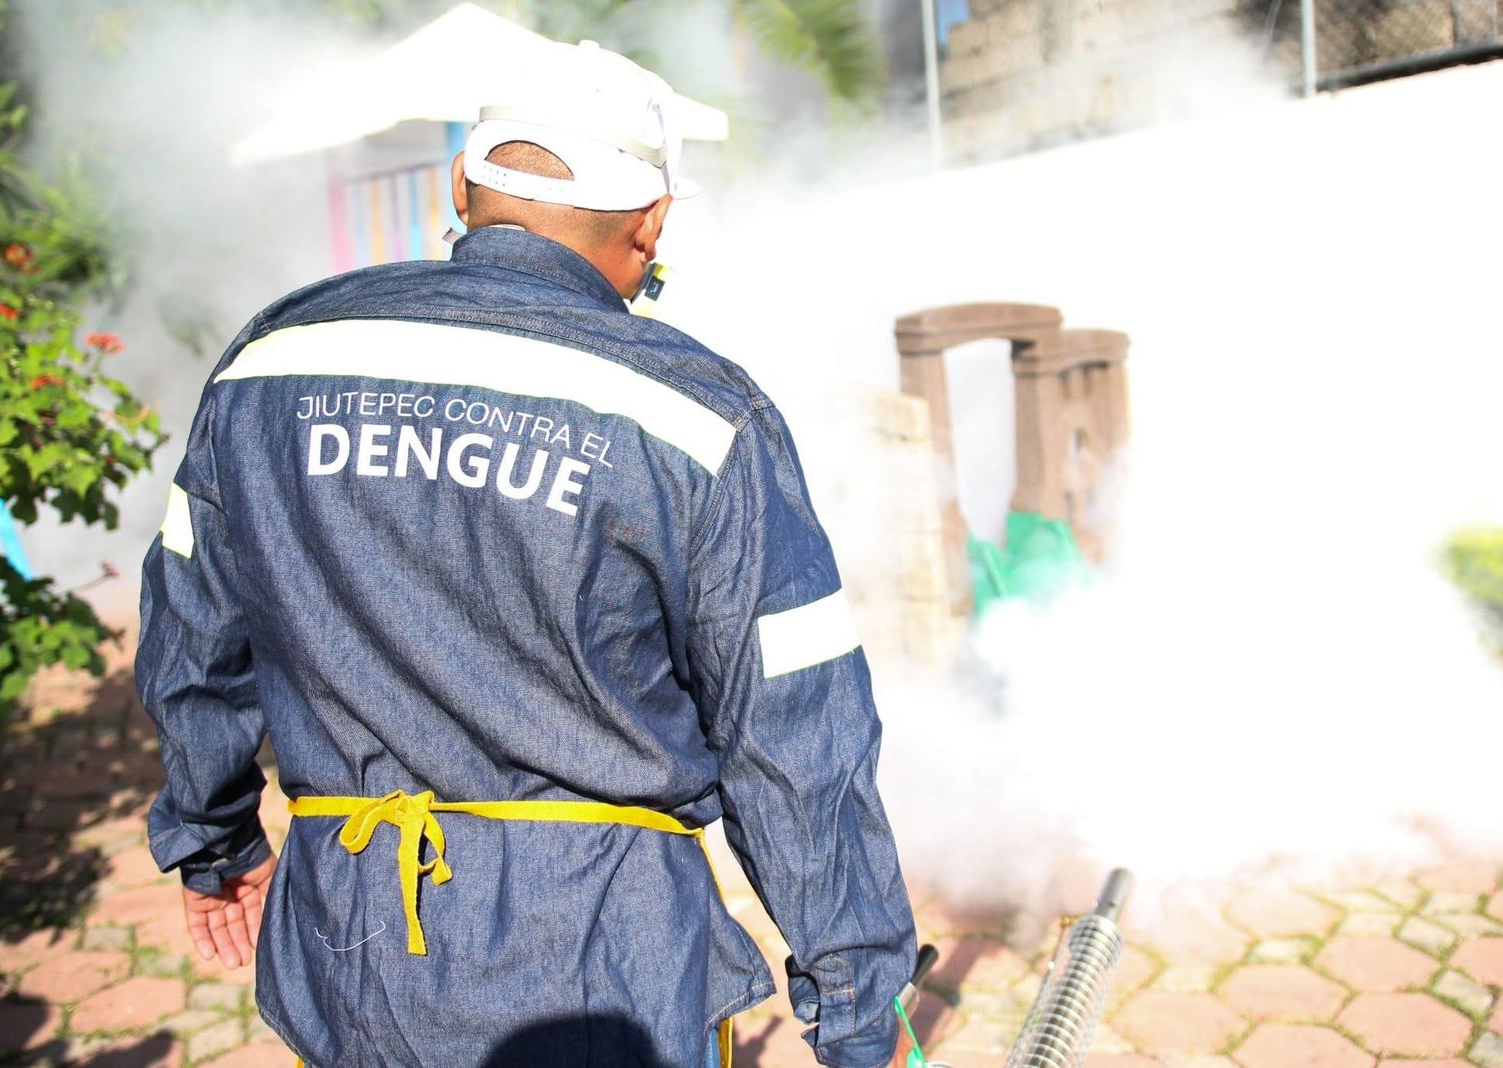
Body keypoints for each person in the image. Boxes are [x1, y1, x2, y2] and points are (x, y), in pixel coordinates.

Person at [136, 38, 918, 1068]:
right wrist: (858, 1014)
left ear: (462, 189)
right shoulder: (697, 416)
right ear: (652, 222)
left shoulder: (270, 363)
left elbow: (193, 642)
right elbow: (795, 740)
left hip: (352, 956)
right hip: (606, 970)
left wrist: (213, 840)